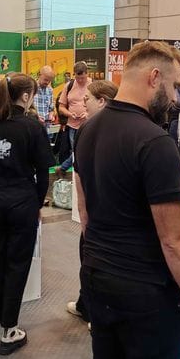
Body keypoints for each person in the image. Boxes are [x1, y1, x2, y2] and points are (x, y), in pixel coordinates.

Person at [75, 41, 180, 359]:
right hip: (147, 294)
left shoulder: (89, 130)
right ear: (154, 77)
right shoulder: (154, 142)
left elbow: (86, 214)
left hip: (98, 277)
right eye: (173, 85)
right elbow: (175, 240)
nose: (175, 97)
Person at [0, 73, 55, 355]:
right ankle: (9, 331)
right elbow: (43, 172)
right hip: (22, 198)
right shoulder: (33, 127)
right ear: (26, 96)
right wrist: (37, 204)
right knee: (17, 263)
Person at [65, 79, 118, 326]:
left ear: (102, 101)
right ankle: (86, 306)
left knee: (95, 265)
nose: (83, 102)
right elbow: (79, 173)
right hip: (98, 212)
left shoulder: (94, 130)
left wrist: (84, 214)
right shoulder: (90, 129)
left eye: (88, 99)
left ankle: (94, 314)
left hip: (103, 215)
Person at [56, 61, 91, 175]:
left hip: (88, 125)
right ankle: (72, 172)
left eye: (82, 78)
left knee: (84, 150)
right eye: (77, 78)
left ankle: (64, 168)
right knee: (76, 151)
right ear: (74, 74)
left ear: (87, 73)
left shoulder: (93, 86)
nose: (80, 81)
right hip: (73, 126)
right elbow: (61, 107)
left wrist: (88, 114)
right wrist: (70, 114)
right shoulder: (69, 86)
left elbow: (101, 105)